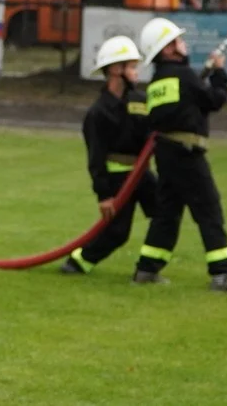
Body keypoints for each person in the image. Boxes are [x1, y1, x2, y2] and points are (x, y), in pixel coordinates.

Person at [130, 17, 227, 296]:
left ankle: (147, 269)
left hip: (166, 156)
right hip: (188, 156)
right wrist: (220, 73)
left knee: (167, 213)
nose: (183, 43)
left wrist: (206, 74)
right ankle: (222, 275)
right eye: (177, 40)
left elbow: (185, 102)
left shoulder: (158, 83)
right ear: (167, 50)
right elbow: (214, 100)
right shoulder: (185, 77)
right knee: (209, 209)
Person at [60, 35, 160, 275]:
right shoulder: (98, 113)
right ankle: (78, 262)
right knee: (117, 233)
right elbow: (95, 158)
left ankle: (148, 268)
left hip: (141, 174)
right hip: (117, 180)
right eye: (132, 67)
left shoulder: (140, 100)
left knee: (166, 214)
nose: (137, 73)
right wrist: (104, 195)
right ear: (116, 70)